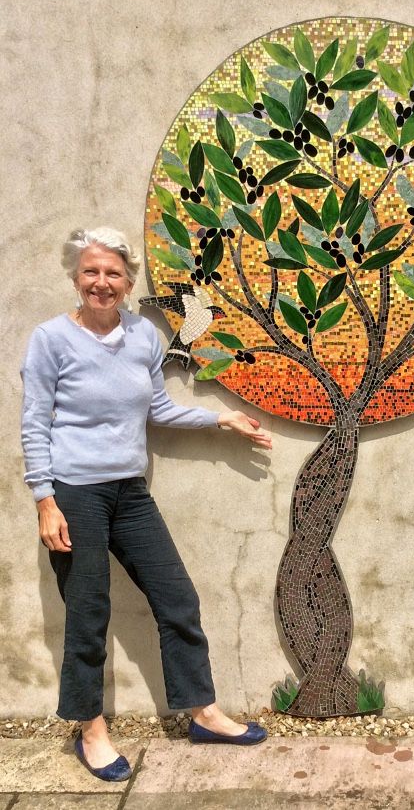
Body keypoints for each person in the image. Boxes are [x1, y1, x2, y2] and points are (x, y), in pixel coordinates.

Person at [20, 227, 272, 782]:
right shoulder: (51, 339)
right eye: (91, 272)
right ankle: (91, 730)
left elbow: (157, 408)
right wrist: (44, 498)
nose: (101, 283)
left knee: (177, 598)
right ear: (76, 277)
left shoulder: (143, 338)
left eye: (112, 273)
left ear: (129, 281)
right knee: (88, 614)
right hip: (75, 494)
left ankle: (202, 712)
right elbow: (35, 423)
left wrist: (219, 418)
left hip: (130, 493)